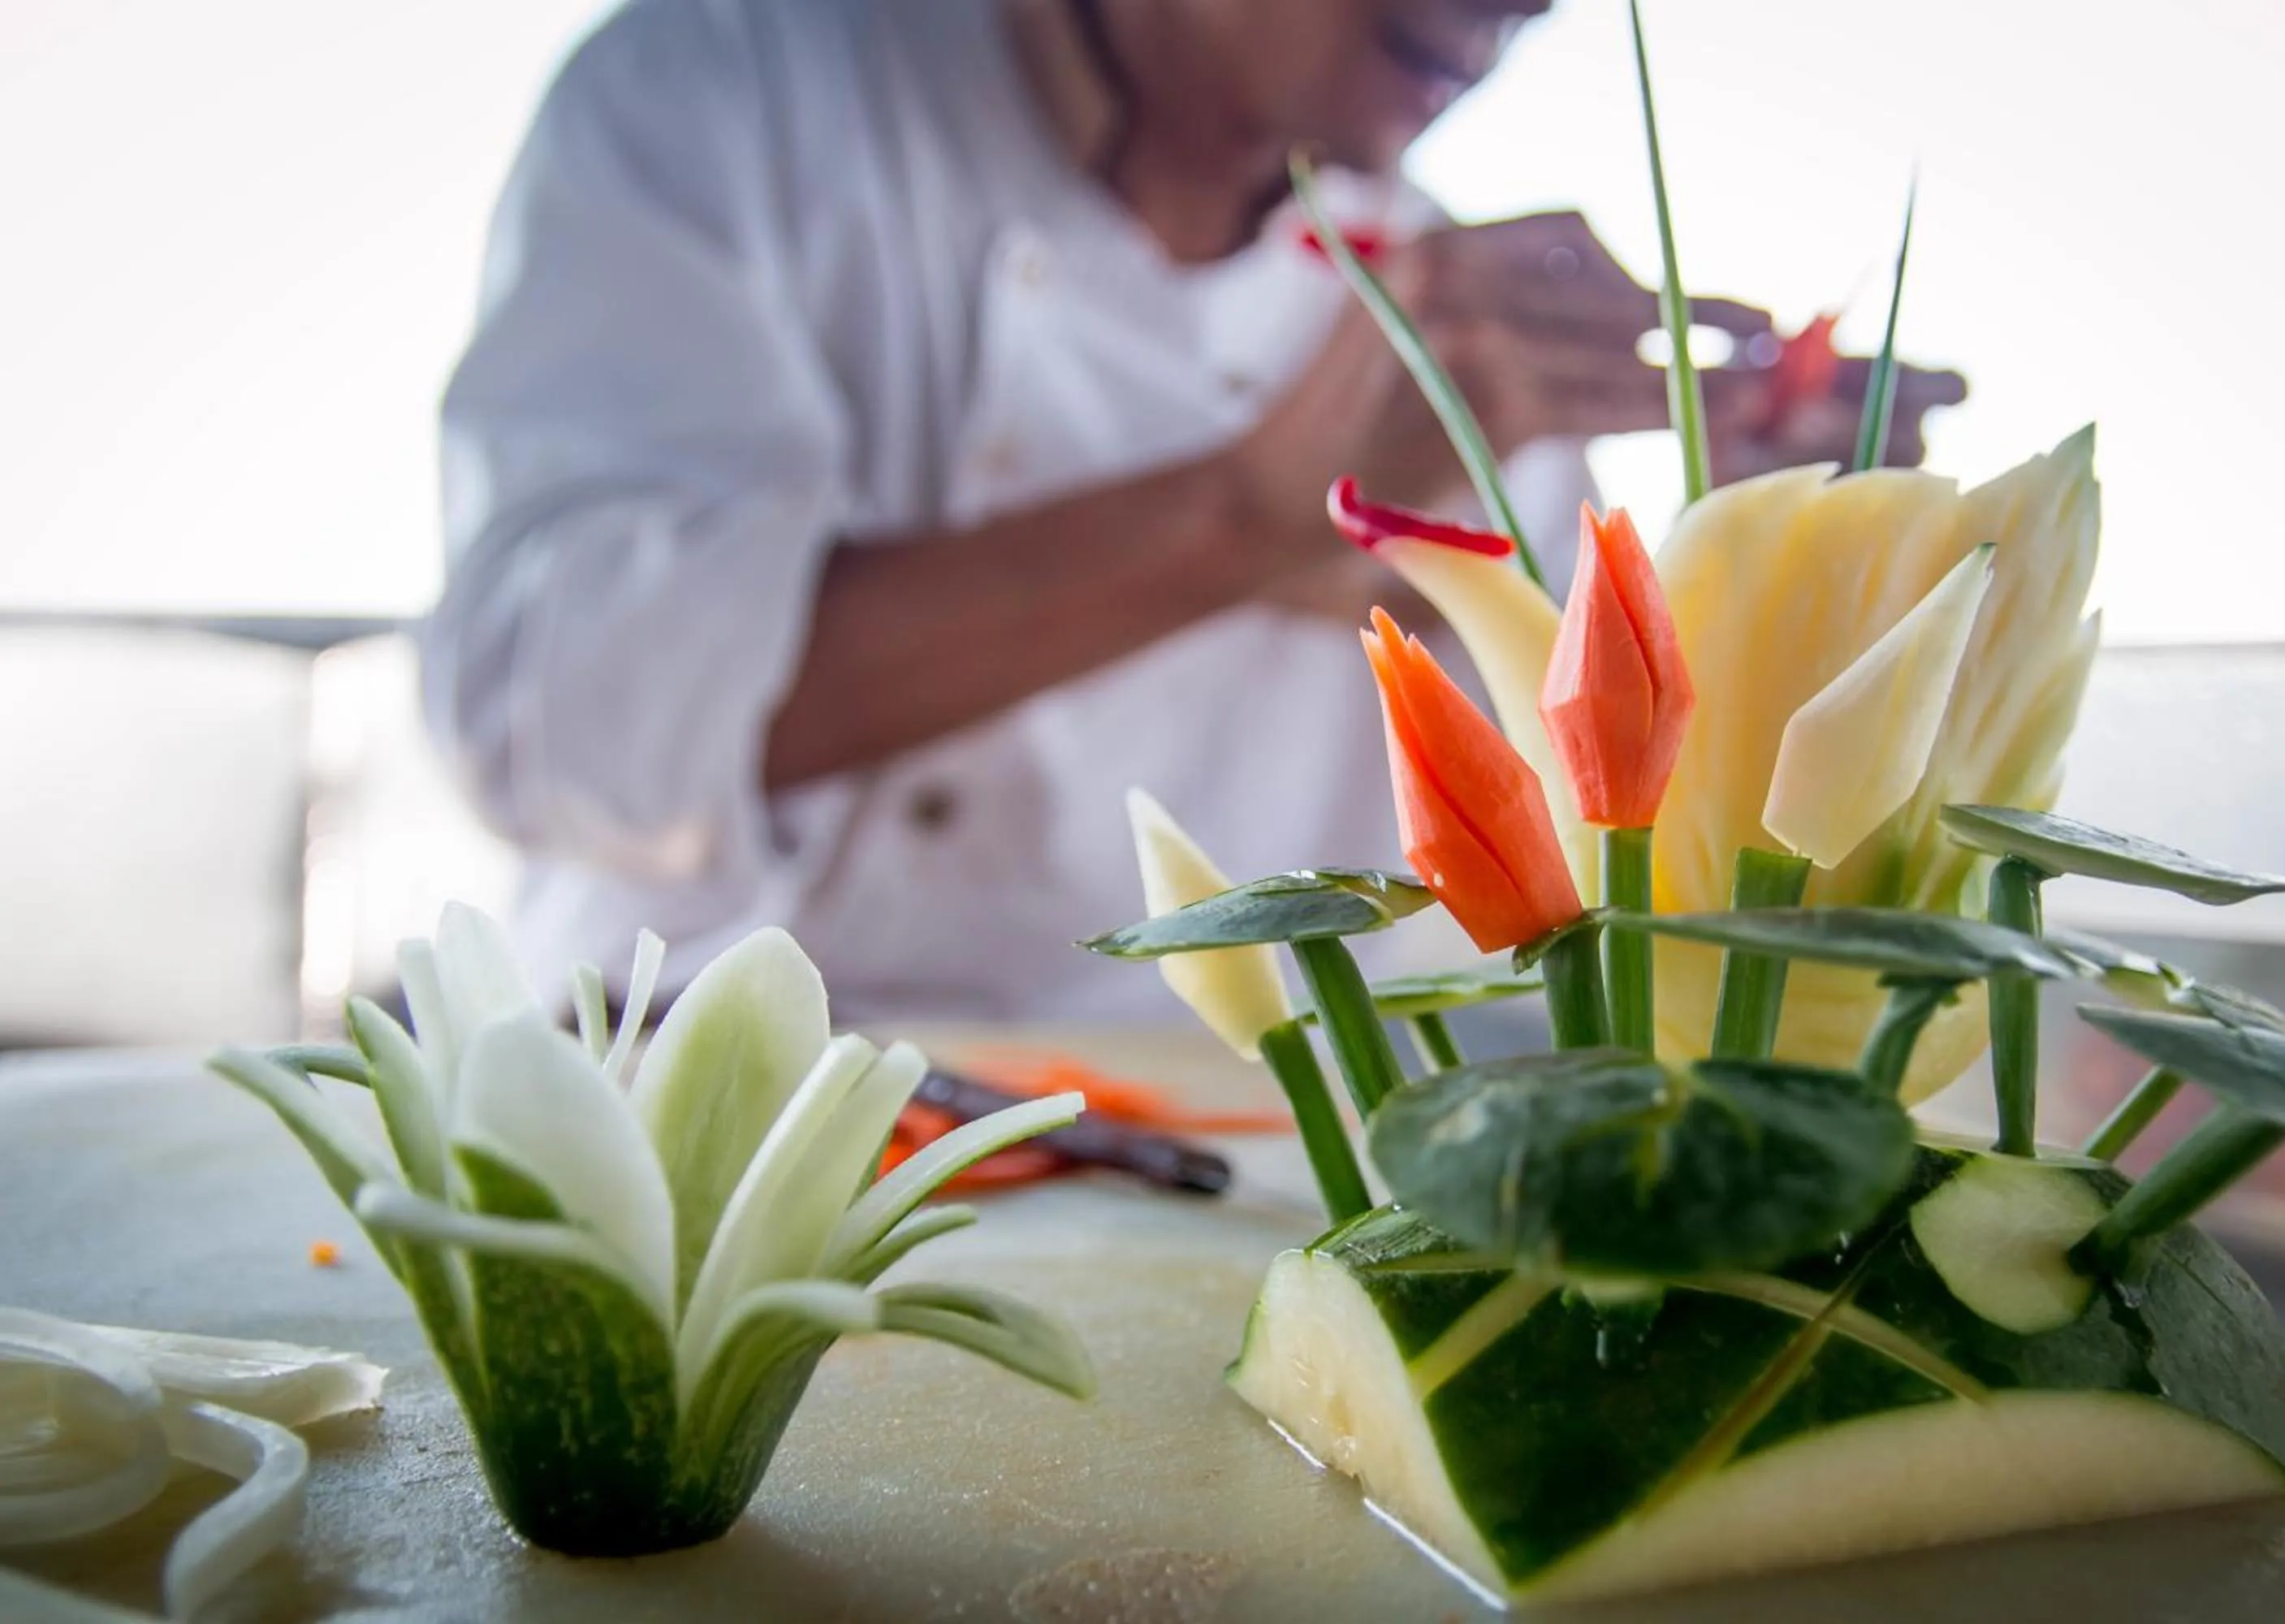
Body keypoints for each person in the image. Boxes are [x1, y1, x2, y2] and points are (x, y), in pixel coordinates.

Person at [423, 0, 1961, 1021]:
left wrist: (1777, 554)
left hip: (1214, 1156)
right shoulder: (738, 87)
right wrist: (1258, 511)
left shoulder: (1472, 327)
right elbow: (542, 720)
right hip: (701, 1102)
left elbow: (1596, 848)